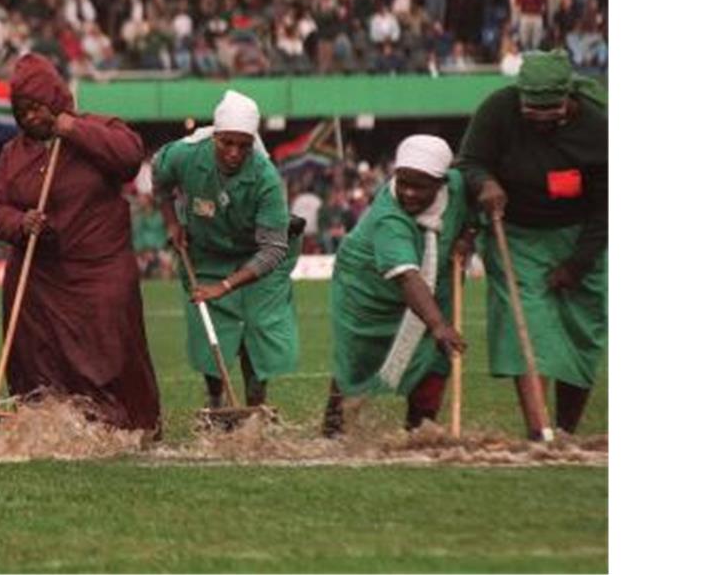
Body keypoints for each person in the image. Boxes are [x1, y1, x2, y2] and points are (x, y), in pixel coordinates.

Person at [0, 54, 161, 434]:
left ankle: (123, 426)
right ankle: (51, 427)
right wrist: (21, 222)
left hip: (99, 268)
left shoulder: (97, 128)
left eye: (38, 107)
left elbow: (130, 157)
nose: (32, 117)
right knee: (38, 358)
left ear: (57, 99)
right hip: (40, 274)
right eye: (22, 110)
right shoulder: (12, 154)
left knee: (108, 350)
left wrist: (72, 128)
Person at [456, 50, 607, 438]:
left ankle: (566, 430)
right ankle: (540, 433)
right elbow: (469, 162)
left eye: (550, 114)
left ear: (568, 98)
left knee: (582, 333)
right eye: (531, 113)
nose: (540, 123)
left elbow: (609, 208)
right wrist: (484, 183)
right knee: (529, 327)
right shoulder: (497, 110)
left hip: (580, 236)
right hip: (517, 235)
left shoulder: (599, 126)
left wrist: (577, 265)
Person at [151, 91, 303, 410]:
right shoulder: (184, 155)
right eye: (226, 144)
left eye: (244, 146)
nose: (234, 153)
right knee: (209, 323)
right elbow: (160, 179)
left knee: (258, 325)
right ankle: (216, 401)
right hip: (206, 250)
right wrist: (171, 223)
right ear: (215, 137)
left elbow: (273, 250)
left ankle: (256, 405)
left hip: (259, 257)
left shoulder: (267, 179)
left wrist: (225, 286)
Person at [322, 135, 473, 437]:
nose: (408, 192)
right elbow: (407, 277)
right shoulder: (389, 217)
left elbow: (476, 205)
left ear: (441, 183)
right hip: (368, 284)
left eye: (420, 186)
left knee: (435, 354)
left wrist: (469, 233)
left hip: (436, 275)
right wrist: (438, 324)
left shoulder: (459, 185)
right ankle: (334, 428)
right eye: (403, 182)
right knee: (359, 356)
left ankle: (420, 428)